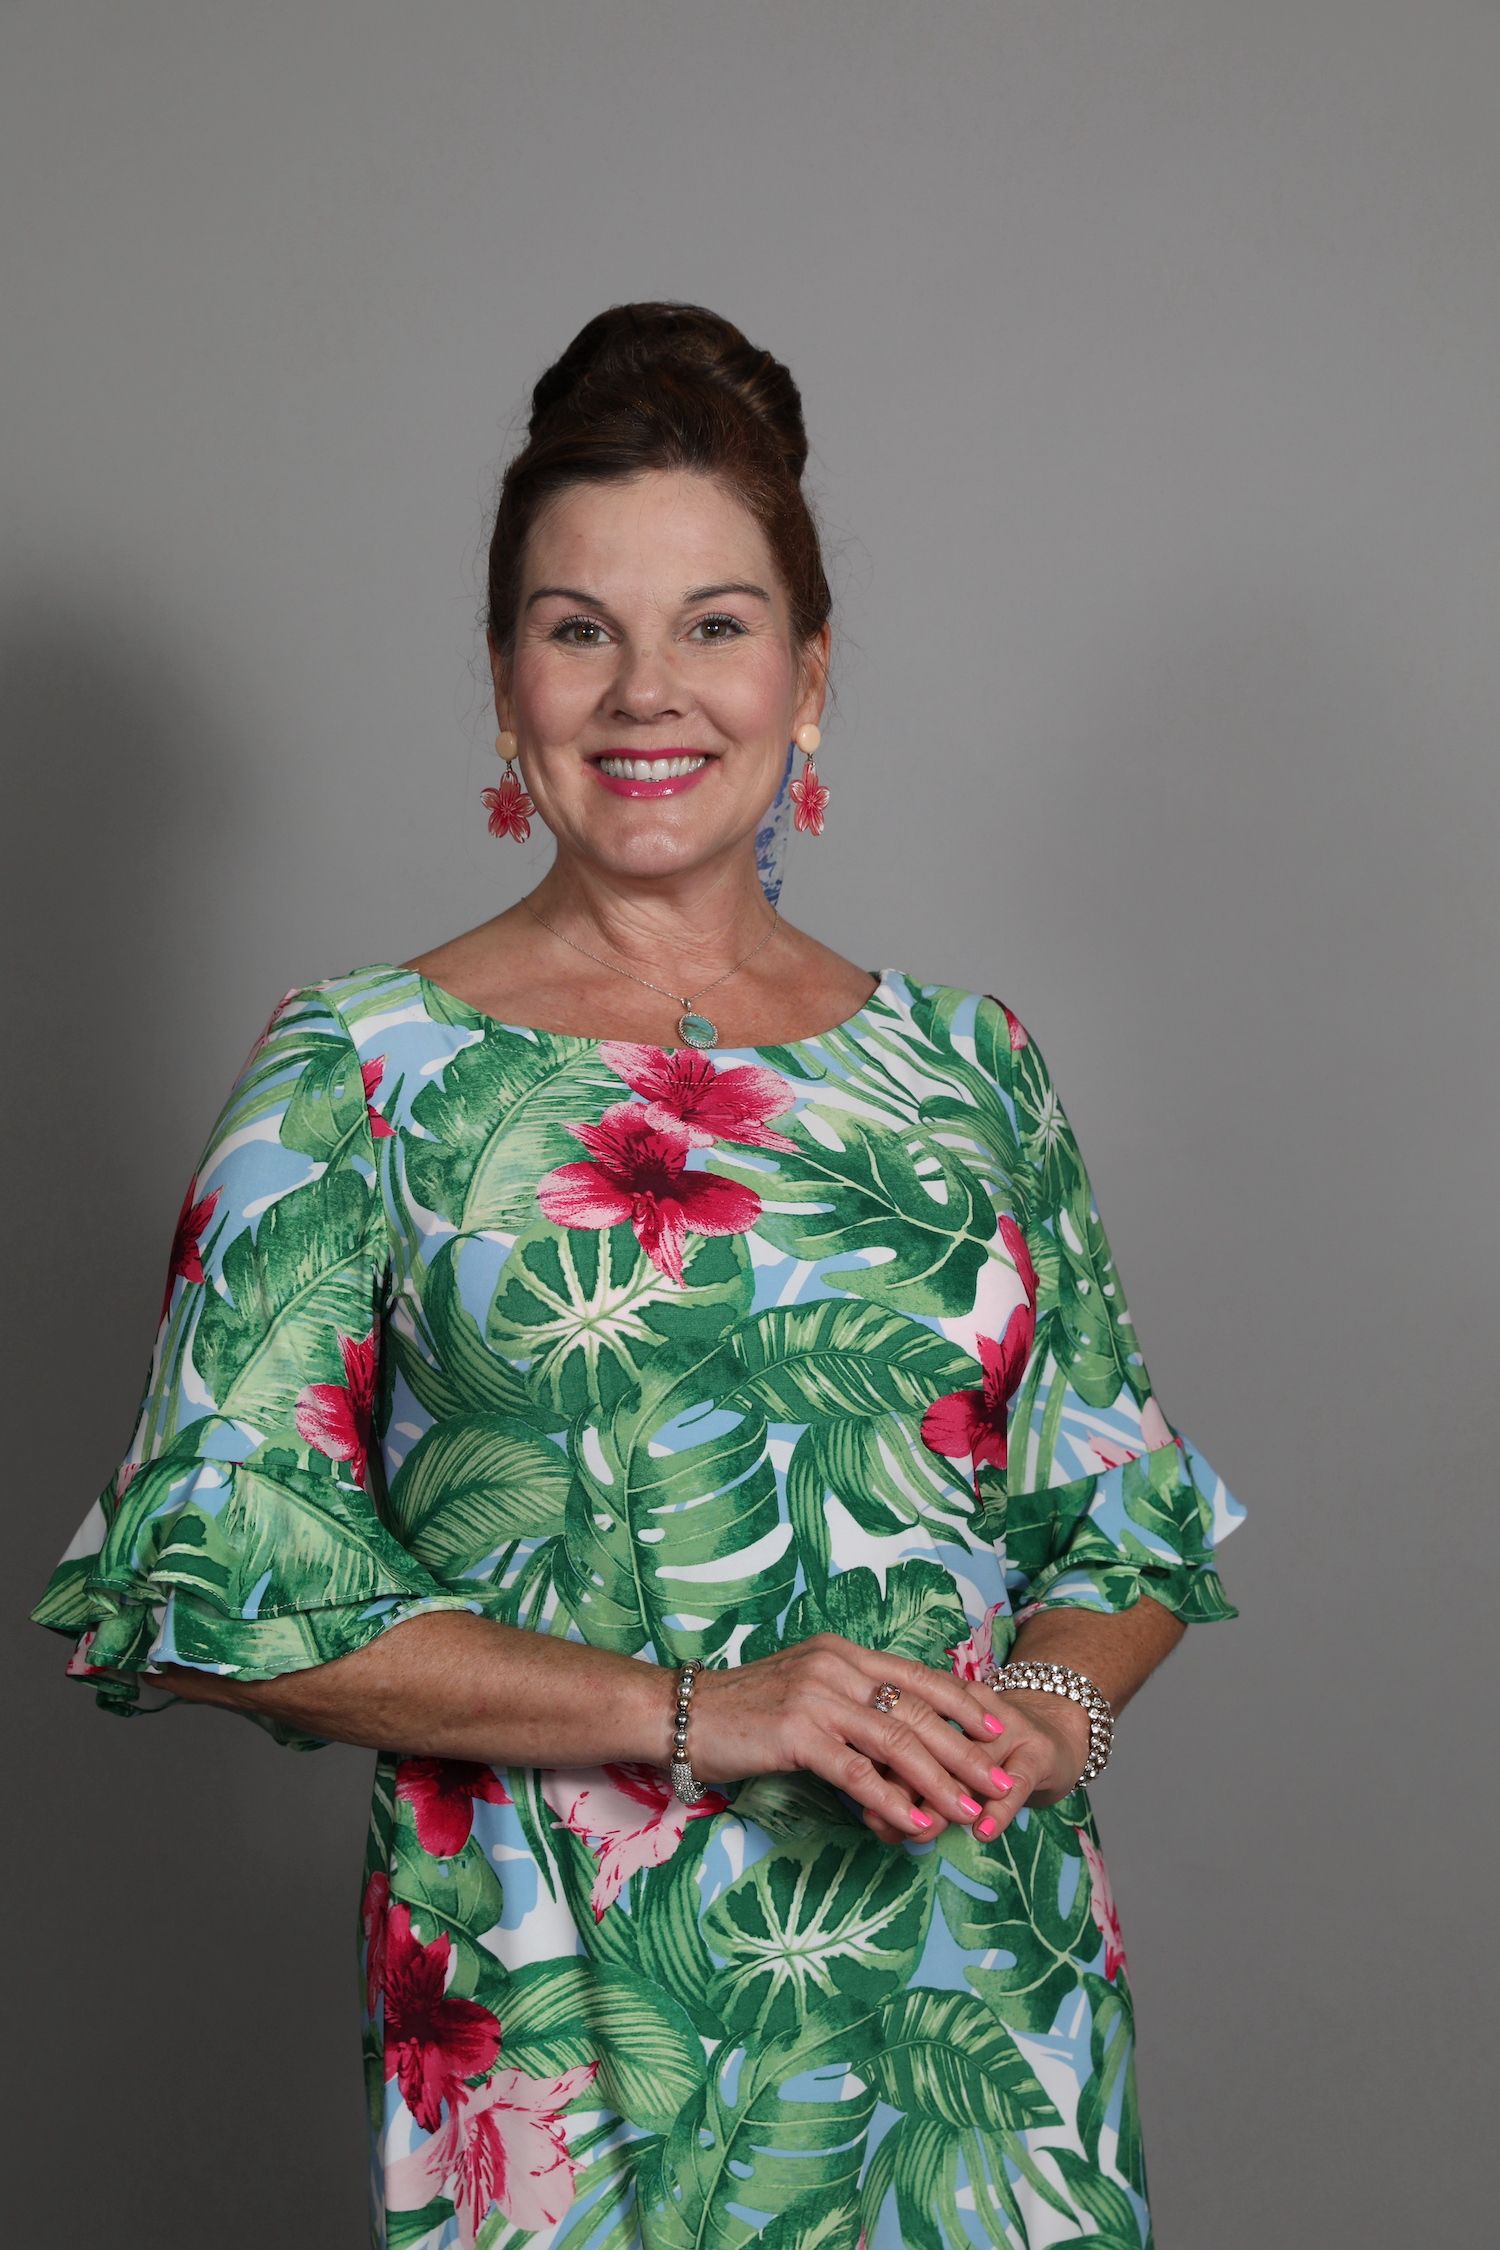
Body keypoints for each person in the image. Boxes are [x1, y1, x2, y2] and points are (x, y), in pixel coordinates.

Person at [32, 299, 1247, 2250]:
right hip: (571, 2032)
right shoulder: (360, 1073)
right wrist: (706, 1710)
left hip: (982, 2036)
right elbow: (210, 1598)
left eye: (715, 623)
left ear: (809, 676)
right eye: (580, 628)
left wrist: (1047, 1710)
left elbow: (1118, 1519)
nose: (646, 691)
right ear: (505, 684)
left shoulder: (969, 1068)